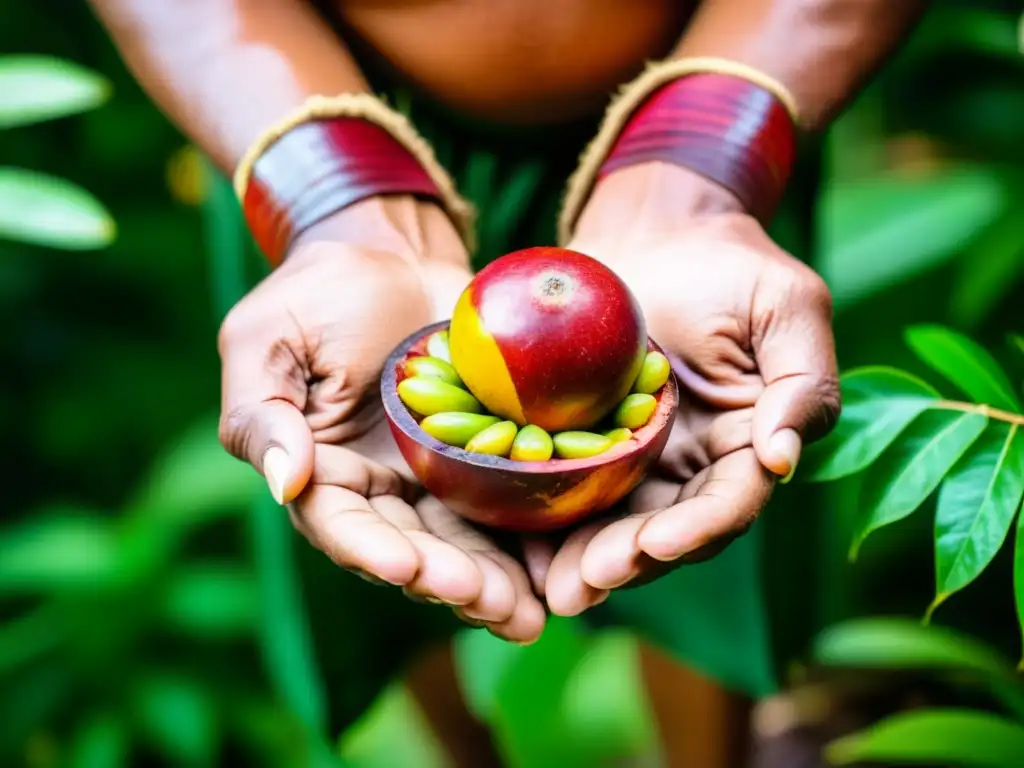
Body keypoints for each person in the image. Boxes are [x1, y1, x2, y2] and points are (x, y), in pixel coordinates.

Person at [89, 0, 928, 762]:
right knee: (358, 477)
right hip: (320, 123)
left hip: (707, 102)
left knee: (713, 550)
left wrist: (703, 161)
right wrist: (332, 197)